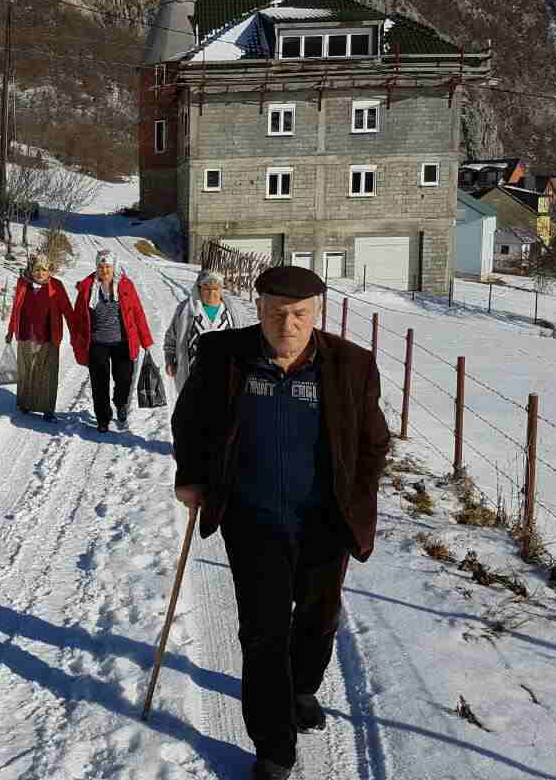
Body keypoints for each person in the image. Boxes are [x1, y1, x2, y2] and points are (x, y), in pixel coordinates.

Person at [170, 265, 389, 780]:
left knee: (317, 620)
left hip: (324, 524)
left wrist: (356, 499)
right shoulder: (224, 355)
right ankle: (273, 747)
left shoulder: (351, 365)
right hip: (253, 520)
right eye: (275, 314)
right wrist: (192, 476)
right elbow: (190, 421)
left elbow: (373, 442)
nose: (287, 325)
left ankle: (302, 687)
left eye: (299, 315)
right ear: (259, 308)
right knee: (262, 632)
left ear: (317, 313)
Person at [70, 249, 154, 433]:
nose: (104, 270)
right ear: (96, 267)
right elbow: (77, 318)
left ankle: (120, 403)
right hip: (97, 343)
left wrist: (146, 341)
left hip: (122, 342)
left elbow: (137, 312)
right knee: (99, 383)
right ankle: (103, 418)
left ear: (114, 266)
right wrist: (76, 341)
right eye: (101, 266)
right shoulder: (88, 287)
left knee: (124, 379)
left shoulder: (125, 285)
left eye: (108, 266)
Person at [5, 254, 75, 421]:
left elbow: (67, 310)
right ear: (31, 269)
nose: (40, 273)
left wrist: (76, 332)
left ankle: (47, 410)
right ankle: (24, 404)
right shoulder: (23, 284)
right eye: (37, 269)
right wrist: (10, 330)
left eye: (44, 269)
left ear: (49, 270)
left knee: (47, 374)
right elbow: (16, 308)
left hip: (49, 337)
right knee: (26, 371)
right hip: (25, 335)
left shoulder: (56, 286)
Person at [163, 268, 248, 394]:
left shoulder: (233, 312)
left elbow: (244, 340)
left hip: (225, 378)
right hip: (192, 377)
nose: (211, 293)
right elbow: (171, 337)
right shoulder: (185, 310)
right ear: (199, 289)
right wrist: (170, 359)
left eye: (216, 289)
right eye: (207, 289)